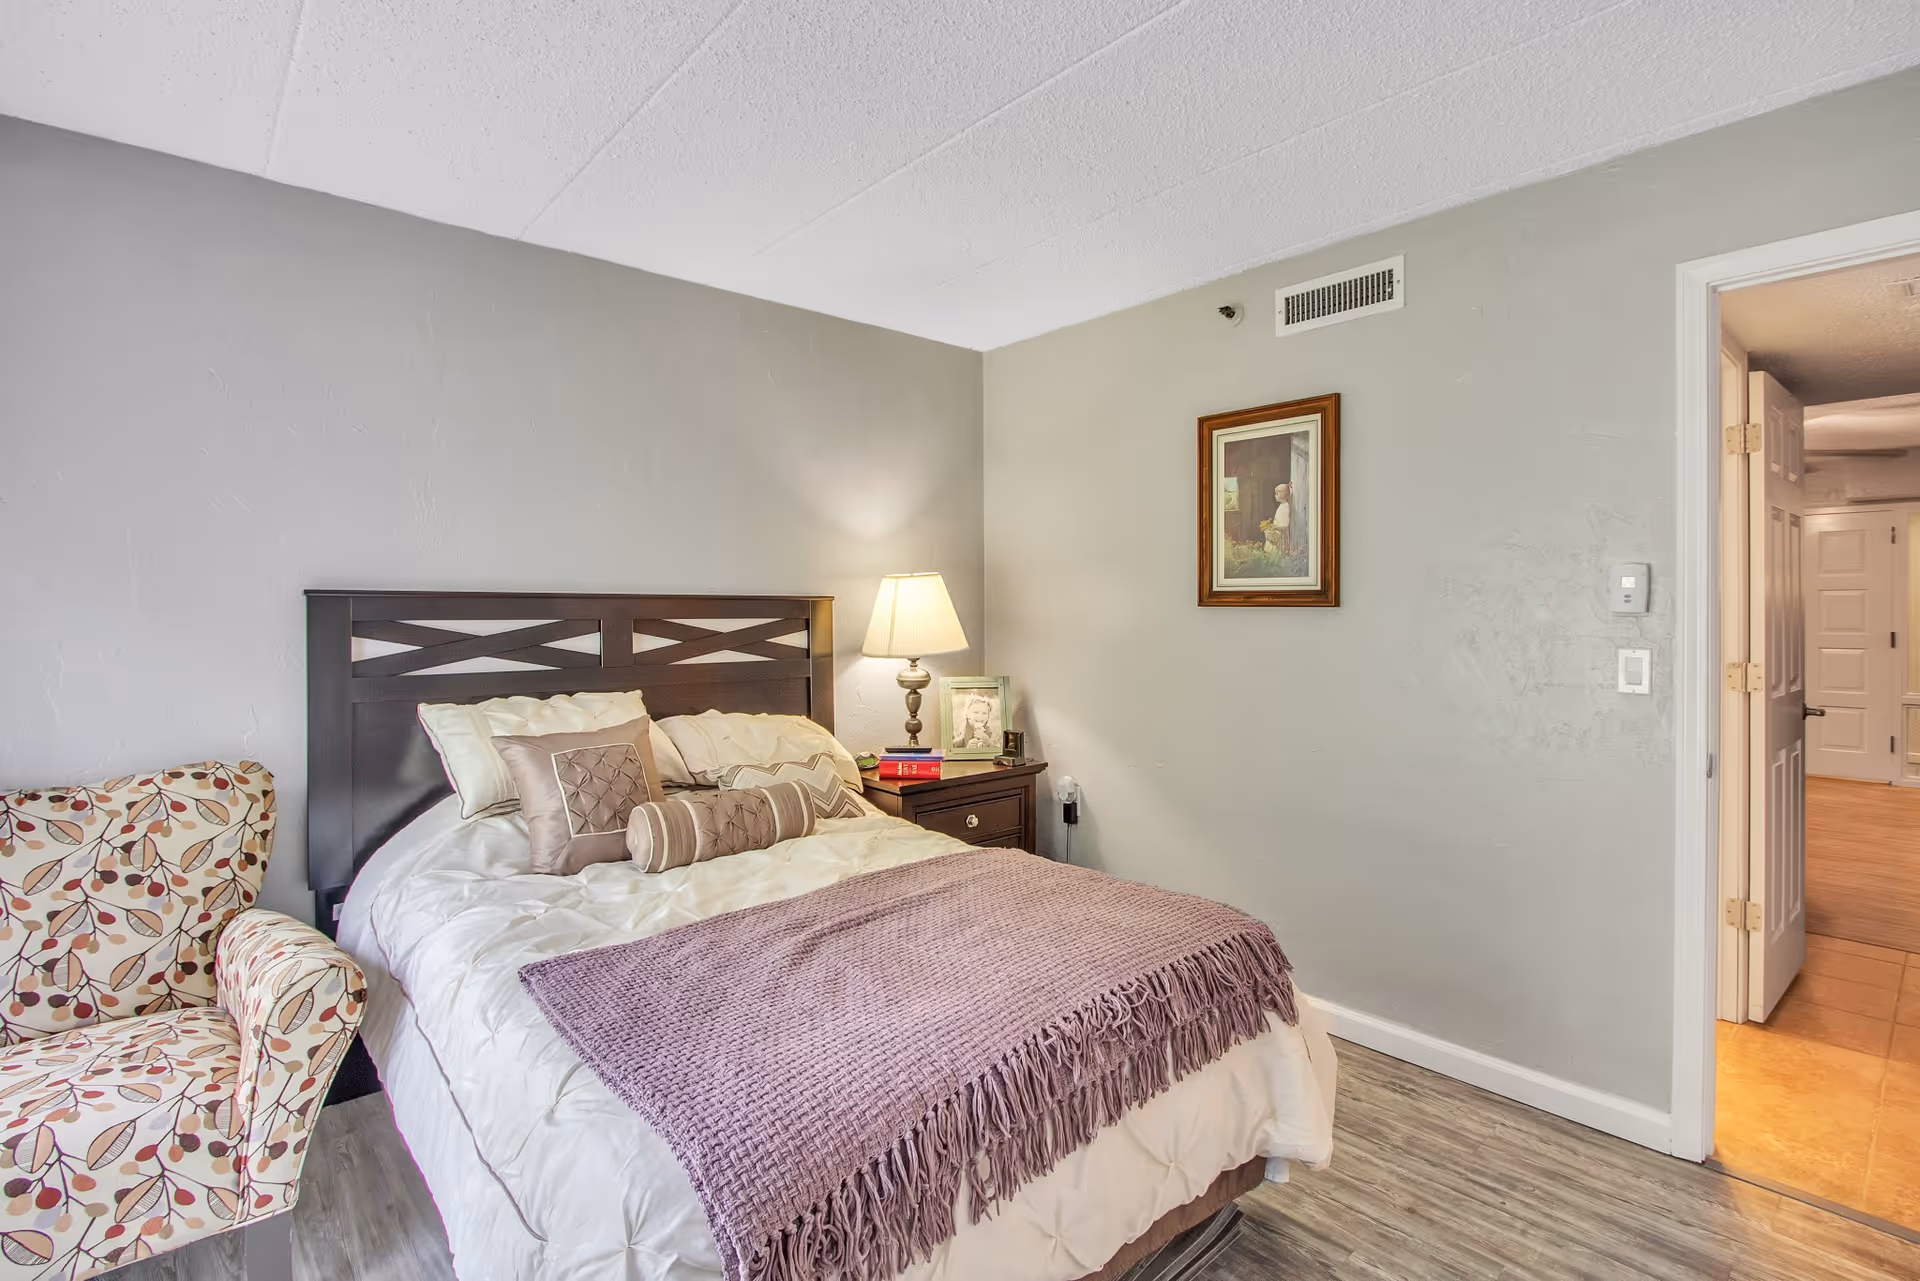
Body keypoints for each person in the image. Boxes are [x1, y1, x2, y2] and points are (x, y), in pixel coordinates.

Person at [1265, 483, 1292, 557]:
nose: (1275, 496)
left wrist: (1275, 527)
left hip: (1281, 538)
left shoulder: (1285, 507)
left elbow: (1286, 525)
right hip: (1277, 536)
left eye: (1277, 494)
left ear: (1283, 494)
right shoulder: (1281, 506)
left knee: (1279, 556)